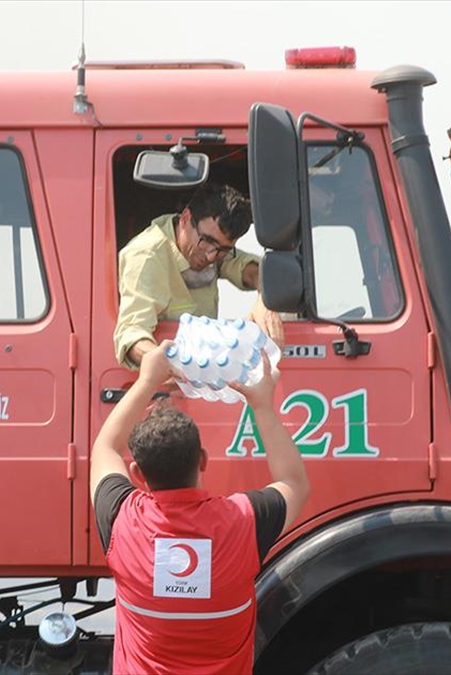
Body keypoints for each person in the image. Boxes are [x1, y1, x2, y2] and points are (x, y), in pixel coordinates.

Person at [90, 340, 310, 674]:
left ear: (136, 473)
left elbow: (105, 447)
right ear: (203, 460)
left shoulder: (123, 522)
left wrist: (146, 380)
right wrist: (262, 405)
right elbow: (295, 483)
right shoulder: (243, 522)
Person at [113, 182, 284, 370]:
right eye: (207, 242)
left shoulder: (211, 246)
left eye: (222, 250)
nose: (211, 256)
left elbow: (250, 270)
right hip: (167, 388)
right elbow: (132, 333)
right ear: (186, 218)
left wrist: (265, 300)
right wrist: (173, 368)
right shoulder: (145, 256)